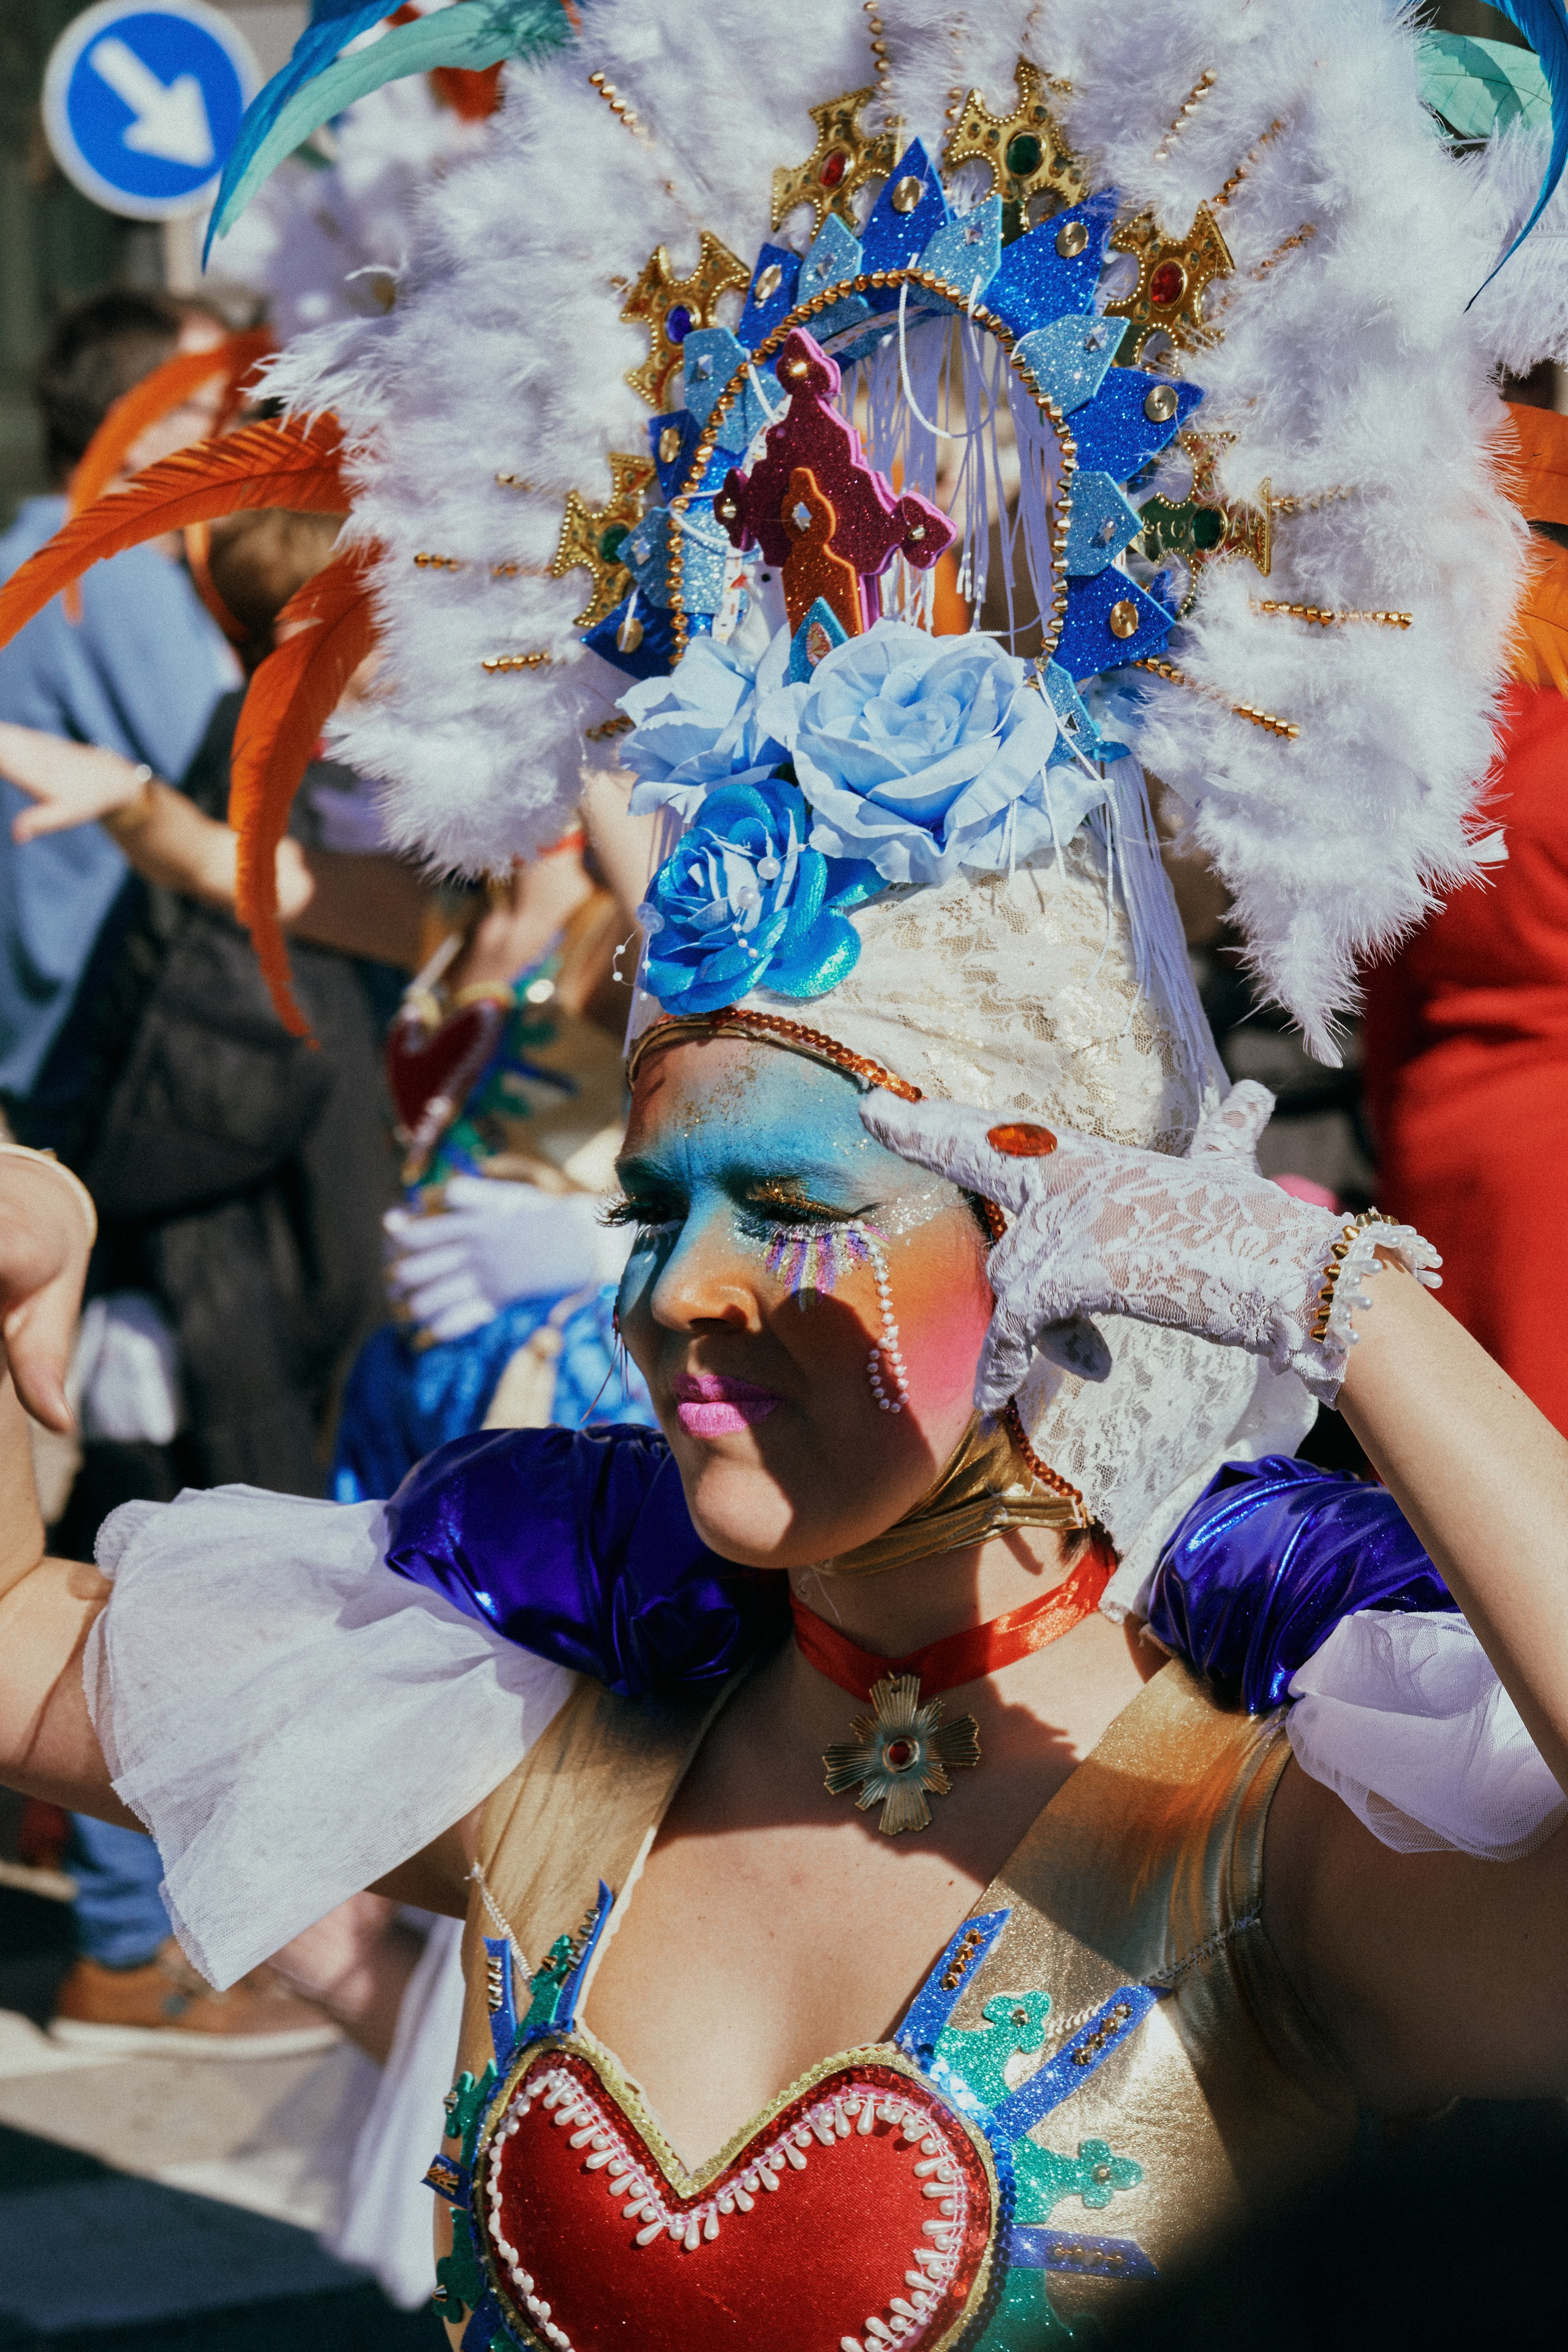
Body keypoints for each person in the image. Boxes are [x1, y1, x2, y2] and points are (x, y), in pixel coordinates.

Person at [4, 4, 1568, 2343]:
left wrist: (1350, 1307)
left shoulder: (1249, 1844)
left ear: (1064, 1236)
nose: (673, 1296)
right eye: (655, 1212)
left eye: (794, 1203)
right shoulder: (551, 1756)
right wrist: (25, 1322)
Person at [0, 290, 240, 1153]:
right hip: (105, 1063)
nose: (248, 431)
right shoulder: (110, 569)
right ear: (131, 427)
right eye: (220, 406)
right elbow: (233, 793)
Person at [1362, 678, 1568, 1438]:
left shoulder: (1450, 753)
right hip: (1550, 1159)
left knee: (1449, 1457)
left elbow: (1382, 986)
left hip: (1440, 1129)